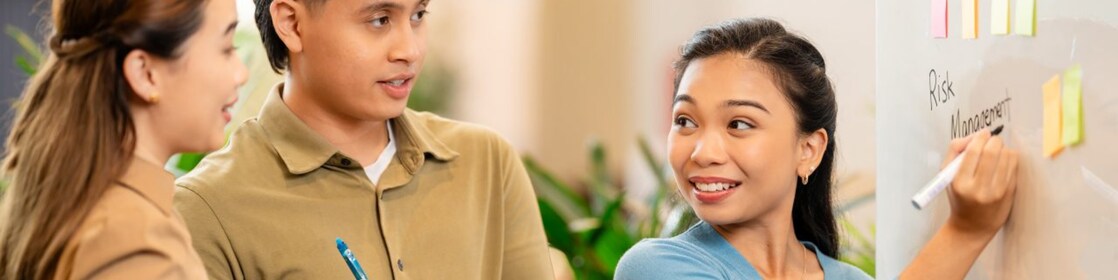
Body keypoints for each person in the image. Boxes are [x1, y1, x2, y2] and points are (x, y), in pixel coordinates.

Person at [172, 0, 554, 279]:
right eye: (379, 19)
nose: (410, 50)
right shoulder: (209, 209)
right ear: (291, 23)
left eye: (418, 15)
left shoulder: (487, 163)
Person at [615, 18, 1018, 279]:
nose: (702, 152)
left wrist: (969, 230)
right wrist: (964, 231)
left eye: (739, 123)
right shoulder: (656, 268)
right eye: (685, 122)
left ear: (808, 149)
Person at [0, 0, 247, 278]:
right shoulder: (136, 246)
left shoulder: (82, 200)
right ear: (145, 74)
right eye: (226, 49)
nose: (242, 73)